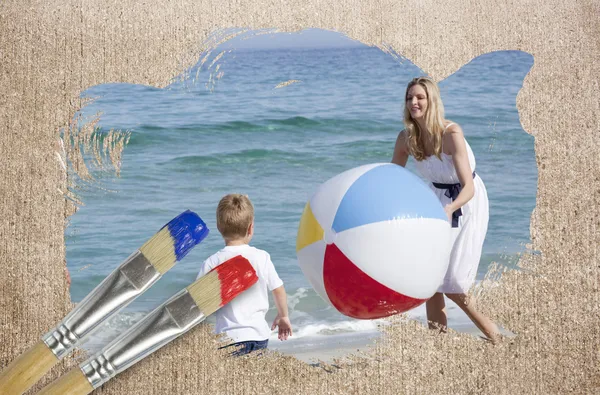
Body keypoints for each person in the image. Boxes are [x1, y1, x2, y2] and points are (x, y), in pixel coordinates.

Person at [391, 76, 500, 343]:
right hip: (436, 201)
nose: (413, 102)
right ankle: (438, 346)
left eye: (419, 97)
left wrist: (449, 208)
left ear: (431, 101)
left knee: (453, 284)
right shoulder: (406, 138)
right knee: (431, 280)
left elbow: (468, 188)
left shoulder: (451, 134)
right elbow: (392, 178)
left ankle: (496, 338)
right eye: (409, 98)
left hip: (465, 202)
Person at [196, 193, 292, 356]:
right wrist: (283, 316)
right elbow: (278, 289)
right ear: (250, 228)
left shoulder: (212, 262)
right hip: (258, 335)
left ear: (219, 227)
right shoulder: (262, 257)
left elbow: (199, 303)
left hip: (228, 338)